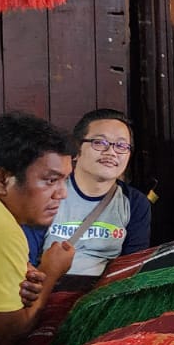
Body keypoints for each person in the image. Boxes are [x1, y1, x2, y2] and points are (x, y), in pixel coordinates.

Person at [0, 112, 76, 345]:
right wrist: (50, 272)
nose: (62, 194)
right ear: (2, 179)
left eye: (65, 180)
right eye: (50, 180)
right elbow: (0, 342)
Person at [37, 109, 152, 277]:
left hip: (103, 296)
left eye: (121, 146)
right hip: (47, 289)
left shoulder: (134, 203)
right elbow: (27, 260)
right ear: (76, 149)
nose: (111, 152)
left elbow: (132, 269)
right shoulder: (49, 193)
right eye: (100, 142)